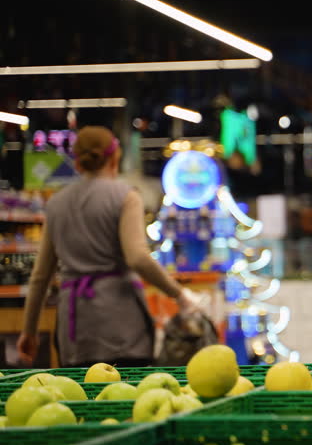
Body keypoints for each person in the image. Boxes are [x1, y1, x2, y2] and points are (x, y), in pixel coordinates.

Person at [17, 126, 205, 367]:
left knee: (81, 398)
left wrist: (29, 331)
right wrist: (179, 295)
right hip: (121, 325)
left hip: (75, 330)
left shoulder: (56, 204)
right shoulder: (126, 196)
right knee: (126, 395)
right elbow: (137, 257)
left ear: (78, 162)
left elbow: (40, 277)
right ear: (115, 157)